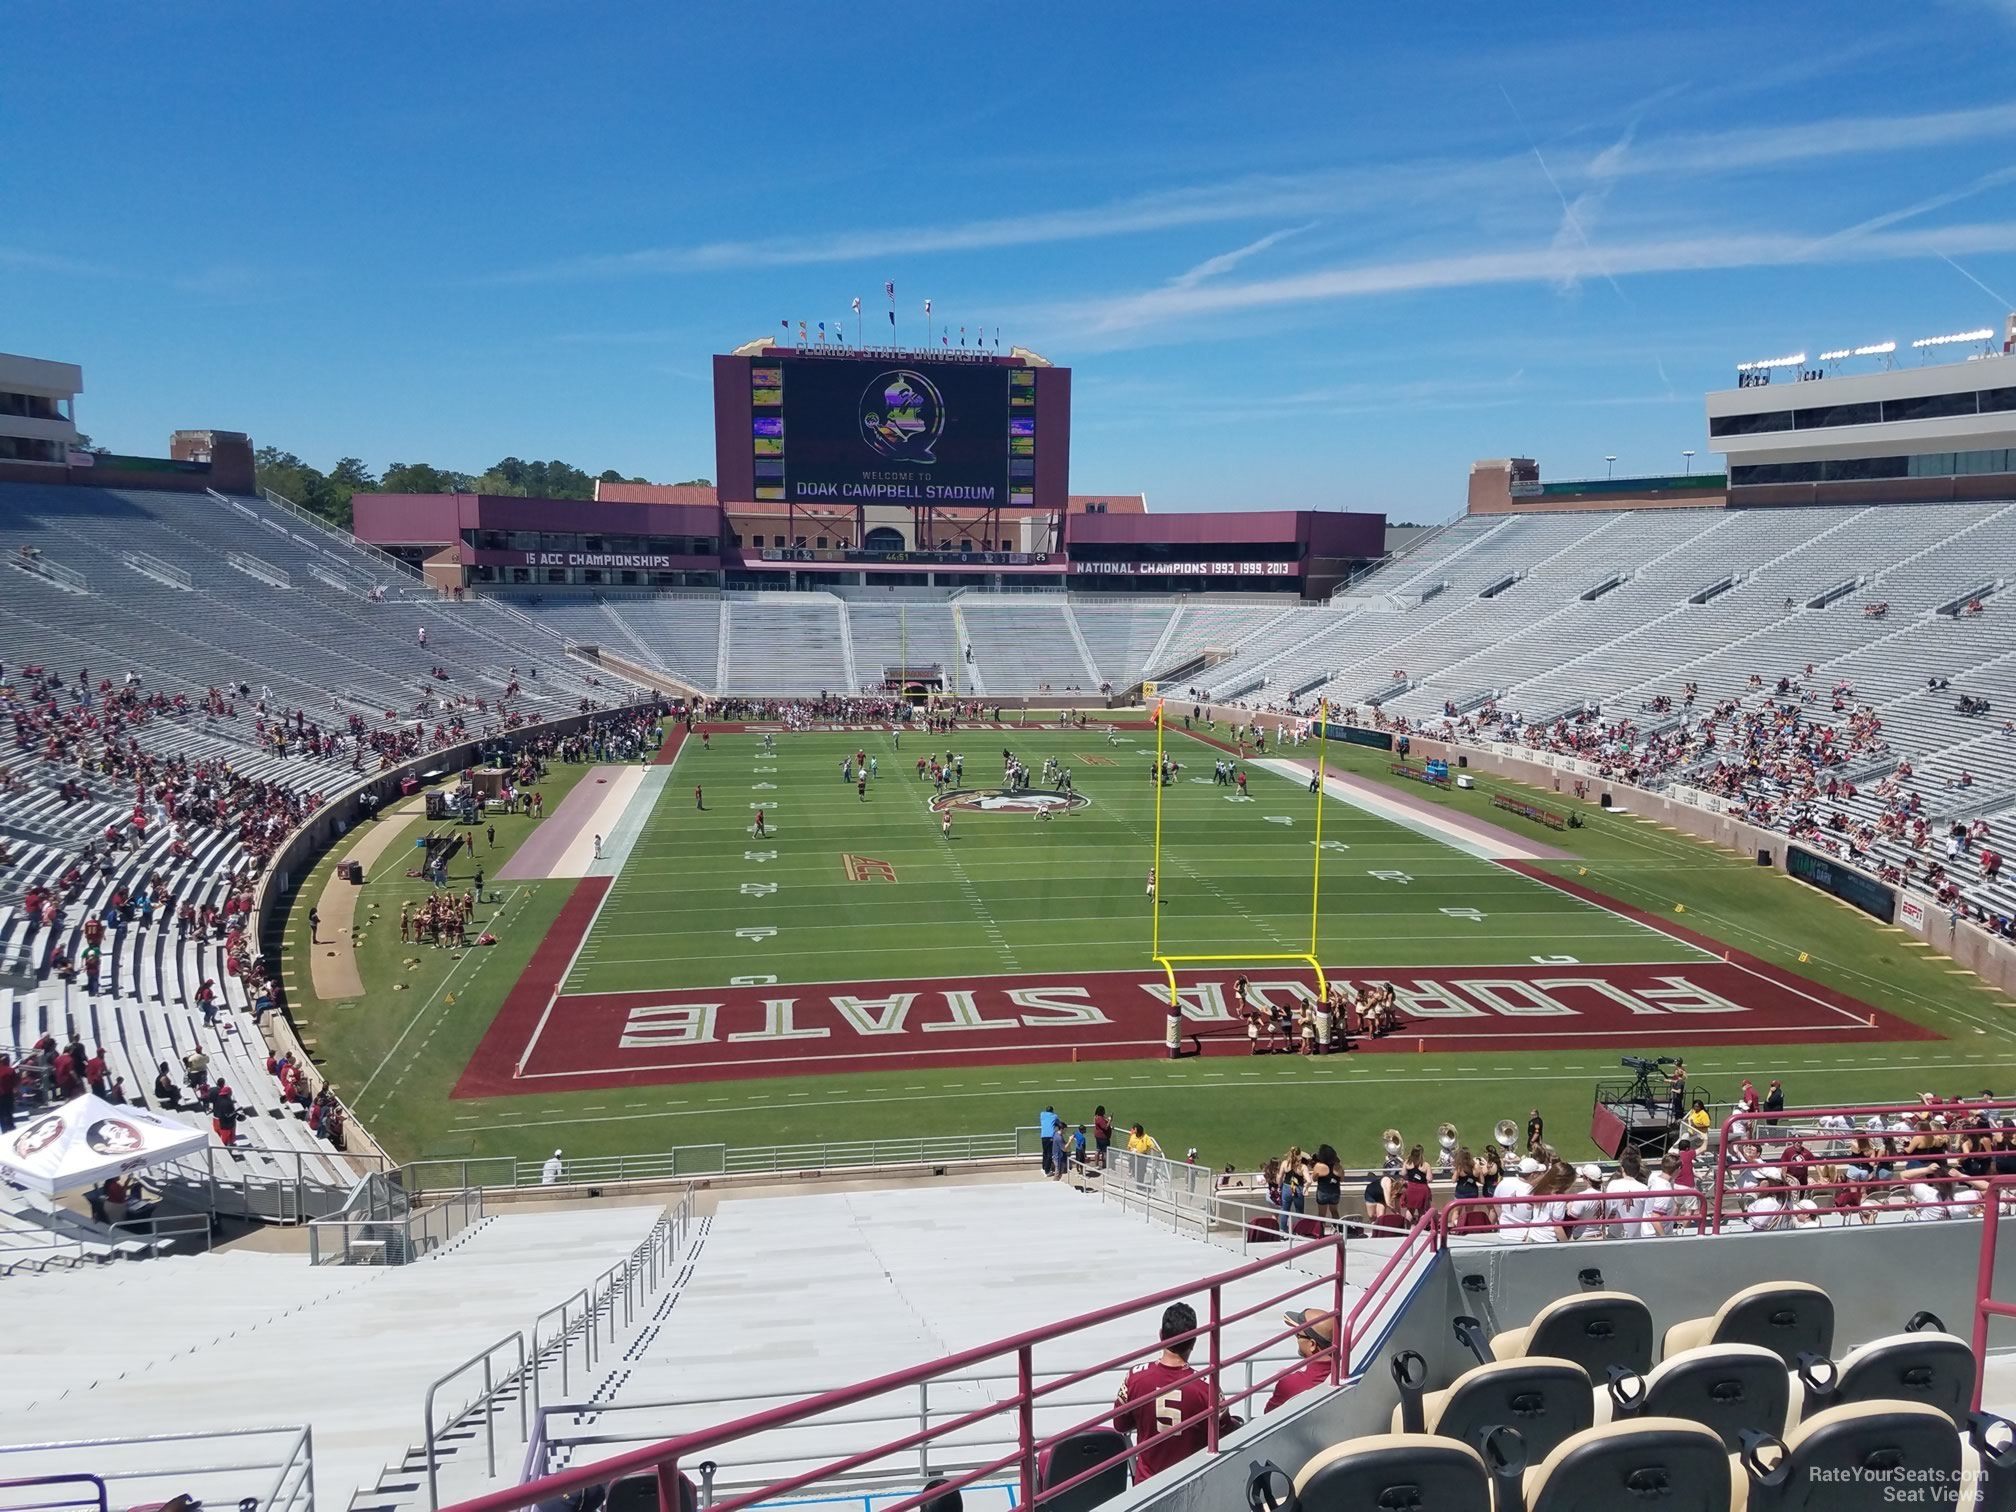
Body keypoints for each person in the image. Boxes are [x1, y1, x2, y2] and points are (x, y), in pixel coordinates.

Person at [1111, 1303, 1241, 1484]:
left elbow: (1120, 1424)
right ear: (1193, 1342)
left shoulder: (1135, 1377)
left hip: (1146, 1487)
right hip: (1191, 1486)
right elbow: (1225, 1432)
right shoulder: (1207, 1388)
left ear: (1161, 1335)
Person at [1266, 1308, 1336, 1410]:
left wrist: (1288, 1380)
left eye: (1298, 1335)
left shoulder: (1289, 1384)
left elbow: (1268, 1416)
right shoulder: (1347, 1368)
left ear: (1312, 1344)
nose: (1296, 1339)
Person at [1039, 1105, 1059, 1176]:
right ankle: (1047, 1171)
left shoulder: (1042, 1114)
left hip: (1043, 1136)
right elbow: (1058, 1123)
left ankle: (1044, 1168)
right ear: (1052, 1111)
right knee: (1049, 1153)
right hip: (1050, 1136)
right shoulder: (1055, 1116)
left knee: (1045, 1152)